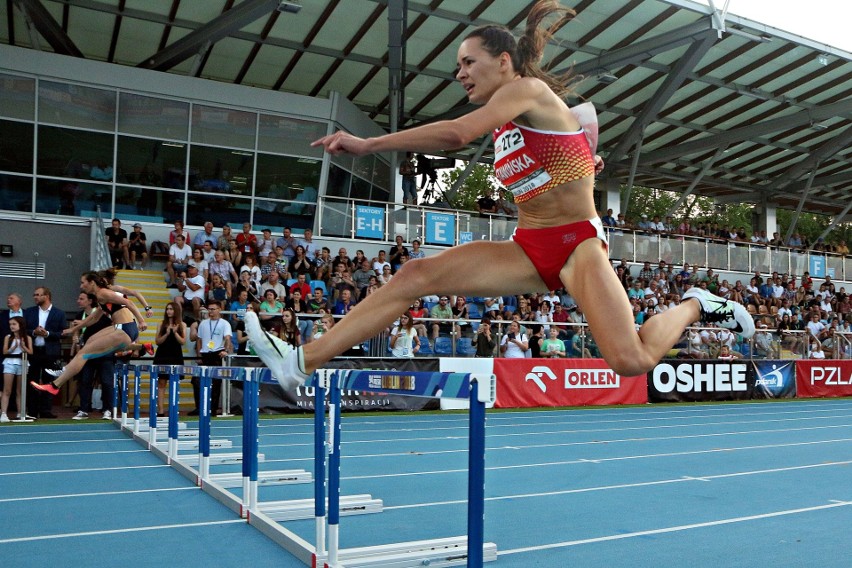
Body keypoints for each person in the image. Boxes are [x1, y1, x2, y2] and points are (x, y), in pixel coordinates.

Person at [249, 1, 754, 388]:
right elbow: (565, 142)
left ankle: (696, 304)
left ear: (504, 61)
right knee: (414, 274)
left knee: (631, 360)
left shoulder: (527, 93)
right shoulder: (514, 116)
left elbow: (455, 135)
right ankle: (301, 363)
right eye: (457, 68)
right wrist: (583, 149)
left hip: (577, 244)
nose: (461, 73)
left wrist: (369, 144)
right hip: (528, 248)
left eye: (469, 62)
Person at [31, 273, 146, 398]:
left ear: (91, 283)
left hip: (125, 329)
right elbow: (93, 318)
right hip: (123, 327)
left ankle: (55, 384)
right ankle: (143, 347)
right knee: (90, 340)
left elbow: (130, 303)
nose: (81, 286)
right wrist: (73, 329)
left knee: (84, 353)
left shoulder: (103, 293)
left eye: (82, 282)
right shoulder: (101, 296)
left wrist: (142, 320)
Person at [24, 287, 67, 418]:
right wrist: (34, 332)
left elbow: (63, 333)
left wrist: (47, 333)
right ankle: (31, 410)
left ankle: (46, 410)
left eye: (38, 295)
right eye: (34, 295)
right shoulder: (29, 312)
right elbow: (23, 329)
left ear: (47, 296)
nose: (35, 297)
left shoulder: (59, 313)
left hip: (50, 352)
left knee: (49, 381)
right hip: (34, 351)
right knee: (32, 380)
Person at [194, 300, 232, 416]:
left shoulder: (224, 323)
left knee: (216, 383)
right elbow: (199, 340)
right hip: (205, 354)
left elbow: (227, 338)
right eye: (209, 309)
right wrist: (199, 354)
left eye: (213, 309)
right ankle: (199, 408)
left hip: (217, 353)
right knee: (197, 381)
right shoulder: (204, 323)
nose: (211, 311)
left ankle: (213, 409)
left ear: (219, 310)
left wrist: (225, 350)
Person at [153, 302, 186, 416]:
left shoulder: (182, 324)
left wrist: (175, 332)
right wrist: (167, 333)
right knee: (161, 382)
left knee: (174, 382)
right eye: (167, 309)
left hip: (175, 354)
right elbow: (157, 342)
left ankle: (173, 409)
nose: (169, 311)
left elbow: (182, 341)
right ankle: (161, 410)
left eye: (171, 309)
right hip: (163, 354)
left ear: (176, 310)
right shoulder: (161, 324)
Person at [2, 316, 32, 422]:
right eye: (10, 324)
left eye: (14, 324)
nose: (12, 326)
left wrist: (23, 346)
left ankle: (21, 412)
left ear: (20, 325)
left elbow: (31, 352)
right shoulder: (8, 337)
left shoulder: (27, 338)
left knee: (20, 390)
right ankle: (4, 413)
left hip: (22, 363)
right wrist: (12, 348)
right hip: (10, 363)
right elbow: (4, 351)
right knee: (7, 389)